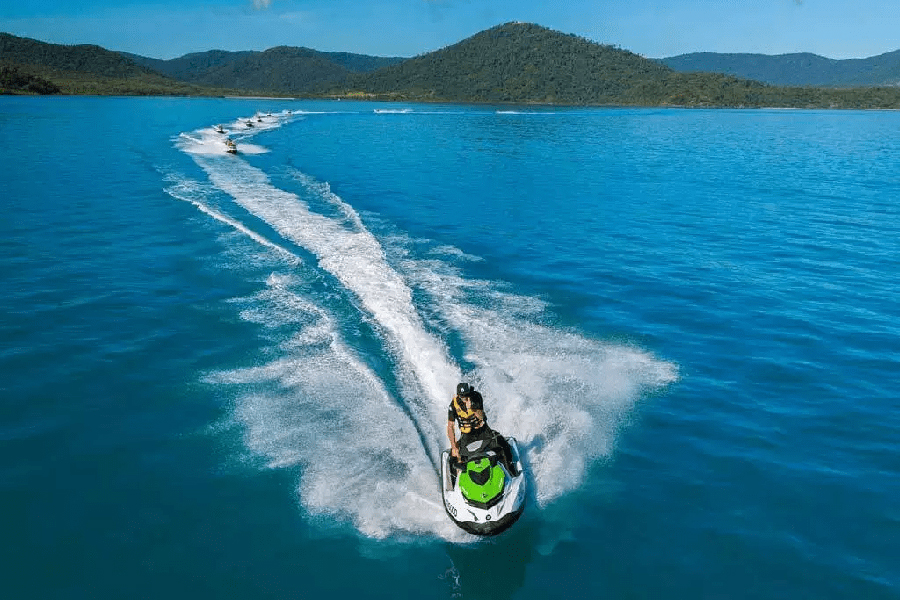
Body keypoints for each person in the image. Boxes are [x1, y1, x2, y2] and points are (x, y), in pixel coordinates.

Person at [447, 382, 518, 476]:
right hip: (466, 435)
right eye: (462, 396)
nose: (465, 398)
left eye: (467, 395)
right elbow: (450, 426)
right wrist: (454, 446)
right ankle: (454, 486)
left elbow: (481, 416)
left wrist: (472, 408)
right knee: (452, 458)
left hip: (483, 431)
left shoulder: (476, 397)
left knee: (502, 444)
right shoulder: (453, 405)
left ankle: (511, 471)